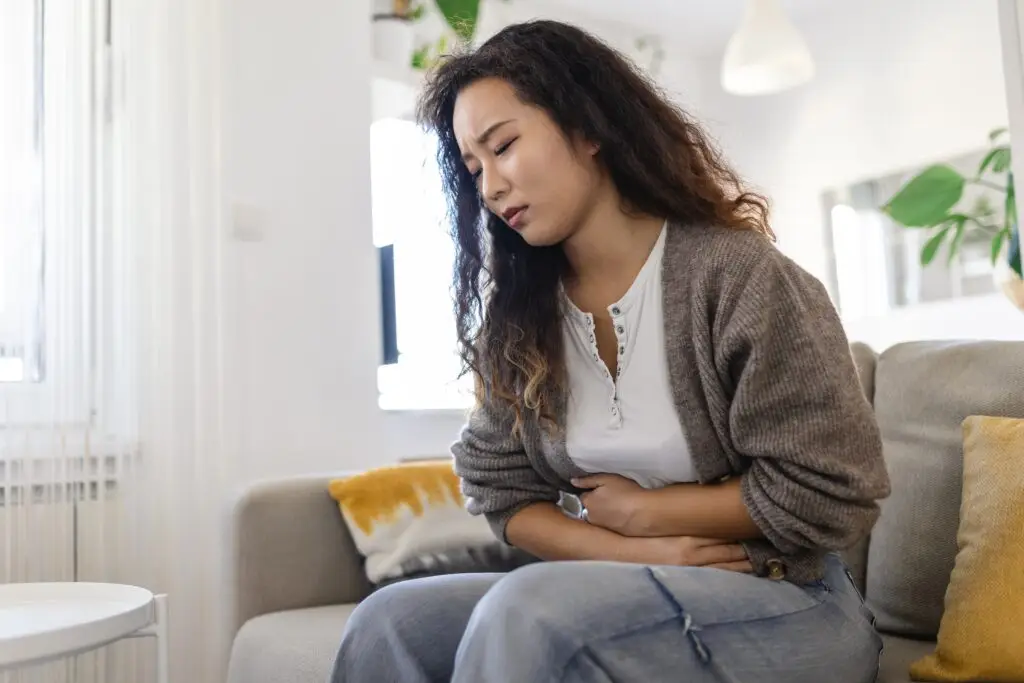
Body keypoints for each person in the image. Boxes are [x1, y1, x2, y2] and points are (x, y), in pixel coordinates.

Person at [332, 19, 890, 683]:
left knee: (529, 610)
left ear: (589, 128)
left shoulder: (735, 275)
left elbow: (834, 488)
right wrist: (624, 550)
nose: (488, 186)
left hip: (790, 599)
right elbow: (501, 488)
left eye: (504, 146)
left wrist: (649, 512)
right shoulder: (521, 315)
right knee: (387, 620)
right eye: (473, 167)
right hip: (624, 581)